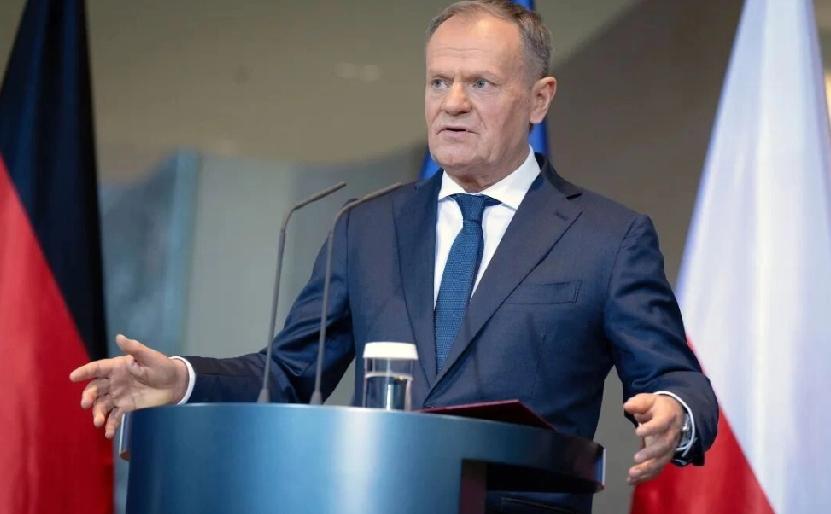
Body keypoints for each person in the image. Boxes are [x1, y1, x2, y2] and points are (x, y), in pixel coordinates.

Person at [70, 1, 717, 512]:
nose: (452, 102)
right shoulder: (366, 226)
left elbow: (678, 378)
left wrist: (674, 413)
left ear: (539, 98)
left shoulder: (607, 237)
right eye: (438, 81)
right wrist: (183, 380)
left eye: (480, 83)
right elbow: (288, 372)